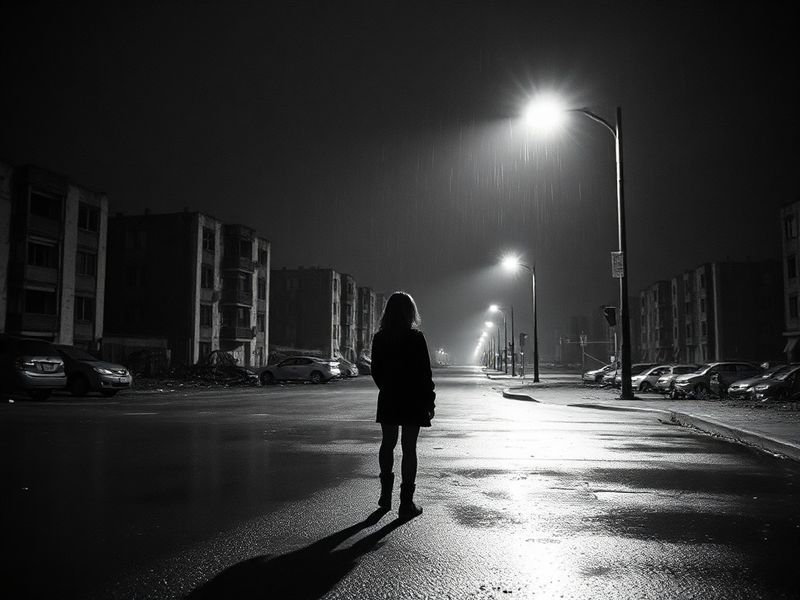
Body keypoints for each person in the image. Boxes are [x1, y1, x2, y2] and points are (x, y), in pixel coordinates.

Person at [371, 291, 435, 518]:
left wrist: (388, 388)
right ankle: (405, 504)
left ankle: (385, 497)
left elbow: (375, 370)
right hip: (413, 399)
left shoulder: (380, 338)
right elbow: (424, 373)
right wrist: (430, 401)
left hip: (389, 397)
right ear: (410, 312)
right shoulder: (416, 338)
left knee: (387, 443)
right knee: (409, 449)